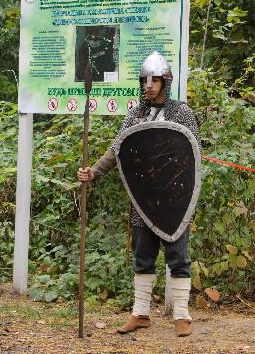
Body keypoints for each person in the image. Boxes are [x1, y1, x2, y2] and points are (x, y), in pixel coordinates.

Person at [77, 51, 200, 336]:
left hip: (174, 198)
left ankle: (182, 316)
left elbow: (191, 155)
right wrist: (94, 171)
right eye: (145, 79)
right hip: (143, 198)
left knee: (178, 257)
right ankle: (140, 314)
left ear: (165, 81)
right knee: (143, 256)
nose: (149, 85)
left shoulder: (182, 113)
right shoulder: (135, 115)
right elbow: (117, 150)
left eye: (155, 79)